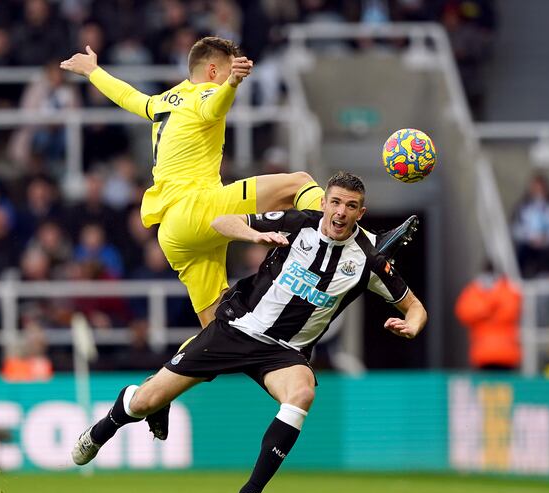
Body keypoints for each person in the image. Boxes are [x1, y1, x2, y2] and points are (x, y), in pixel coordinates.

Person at [70, 172, 427, 493]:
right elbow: (223, 221)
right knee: (145, 400)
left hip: (285, 352)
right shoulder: (299, 223)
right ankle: (102, 430)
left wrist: (412, 324)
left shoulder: (368, 260)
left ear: (360, 214)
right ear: (323, 203)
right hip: (237, 328)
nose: (340, 212)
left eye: (350, 206)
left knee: (301, 393)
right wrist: (255, 235)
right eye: (335, 202)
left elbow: (414, 306)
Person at [60, 37, 410, 327]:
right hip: (197, 210)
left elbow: (129, 98)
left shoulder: (165, 100)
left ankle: (153, 393)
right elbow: (214, 107)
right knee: (297, 183)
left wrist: (93, 71)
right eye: (228, 67)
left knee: (215, 334)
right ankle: (364, 240)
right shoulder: (204, 96)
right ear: (212, 70)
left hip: (173, 234)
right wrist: (232, 84)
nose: (233, 72)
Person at [455, 261, 522, 371]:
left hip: (505, 353)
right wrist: (490, 308)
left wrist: (484, 311)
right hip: (485, 353)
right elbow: (463, 312)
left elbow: (512, 310)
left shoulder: (506, 289)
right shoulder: (475, 291)